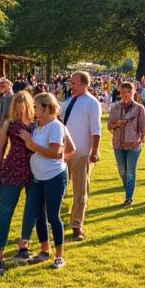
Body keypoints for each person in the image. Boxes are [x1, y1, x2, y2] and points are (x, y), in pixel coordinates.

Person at [19, 92, 73, 269]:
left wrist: (32, 144)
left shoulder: (55, 127)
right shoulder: (38, 126)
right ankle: (44, 250)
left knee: (53, 215)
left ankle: (59, 256)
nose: (33, 109)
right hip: (38, 178)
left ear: (47, 108)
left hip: (54, 177)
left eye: (36, 107)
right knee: (38, 215)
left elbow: (55, 153)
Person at [0, 91, 42, 270]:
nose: (20, 106)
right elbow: (0, 150)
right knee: (5, 212)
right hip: (12, 169)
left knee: (31, 210)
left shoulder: (37, 123)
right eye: (17, 102)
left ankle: (24, 245)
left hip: (34, 170)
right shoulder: (9, 123)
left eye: (23, 102)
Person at [60, 71, 102, 241]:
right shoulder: (68, 102)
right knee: (58, 189)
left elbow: (96, 130)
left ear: (85, 84)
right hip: (63, 154)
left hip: (82, 154)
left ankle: (77, 225)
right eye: (71, 83)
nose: (71, 86)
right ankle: (53, 221)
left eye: (74, 83)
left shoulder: (92, 103)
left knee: (80, 191)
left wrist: (94, 151)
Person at [108, 81, 145, 207]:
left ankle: (129, 198)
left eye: (128, 92)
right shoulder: (115, 107)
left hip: (134, 144)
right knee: (122, 171)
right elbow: (109, 126)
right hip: (118, 144)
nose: (126, 95)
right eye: (123, 92)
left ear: (133, 92)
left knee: (130, 171)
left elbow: (143, 127)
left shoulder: (139, 108)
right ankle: (128, 187)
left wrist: (141, 139)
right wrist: (116, 124)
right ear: (120, 93)